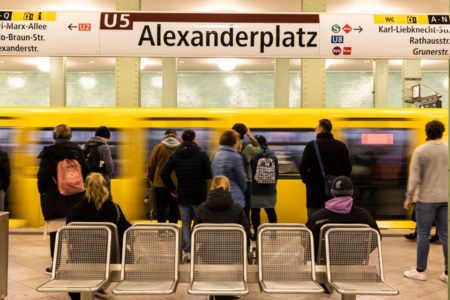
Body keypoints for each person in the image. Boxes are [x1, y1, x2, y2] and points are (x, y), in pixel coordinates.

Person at [66, 172, 131, 300]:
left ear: (86, 187)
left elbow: (70, 236)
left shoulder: (76, 210)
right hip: (110, 258)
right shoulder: (114, 208)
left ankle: (94, 287)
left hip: (82, 258)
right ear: (104, 187)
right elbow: (127, 231)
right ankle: (99, 286)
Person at [37, 124, 89, 274]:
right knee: (75, 230)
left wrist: (43, 193)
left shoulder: (49, 153)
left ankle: (56, 265)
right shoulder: (78, 152)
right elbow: (87, 172)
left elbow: (43, 177)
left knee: (56, 232)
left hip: (55, 198)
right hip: (77, 198)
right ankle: (76, 260)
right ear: (70, 136)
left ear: (54, 136)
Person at [403, 120, 448, 283]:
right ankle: (448, 273)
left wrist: (409, 197)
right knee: (446, 236)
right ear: (442, 132)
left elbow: (414, 177)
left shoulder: (421, 151)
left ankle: (420, 271)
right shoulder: (448, 149)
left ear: (426, 132)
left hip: (426, 199)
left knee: (423, 234)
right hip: (446, 198)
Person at [161, 129, 212, 262]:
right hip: (199, 195)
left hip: (182, 194)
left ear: (182, 139)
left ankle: (187, 251)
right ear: (194, 139)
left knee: (185, 223)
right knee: (200, 223)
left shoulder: (175, 155)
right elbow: (208, 174)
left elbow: (164, 173)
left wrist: (172, 189)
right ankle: (200, 249)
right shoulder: (202, 154)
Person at [306, 176, 379, 257]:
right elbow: (376, 239)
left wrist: (318, 255)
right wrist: (361, 254)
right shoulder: (364, 216)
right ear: (352, 192)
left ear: (332, 192)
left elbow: (305, 241)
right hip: (355, 260)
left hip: (325, 261)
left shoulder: (317, 217)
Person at [299, 119, 352, 219]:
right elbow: (348, 169)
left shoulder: (311, 146)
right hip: (335, 191)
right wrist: (338, 180)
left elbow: (303, 168)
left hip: (315, 191)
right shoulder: (341, 146)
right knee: (333, 217)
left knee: (315, 218)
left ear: (321, 129)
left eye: (317, 128)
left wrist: (309, 182)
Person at [147, 129, 180, 223]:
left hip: (159, 183)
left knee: (161, 208)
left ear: (165, 135)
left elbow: (151, 165)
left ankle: (161, 231)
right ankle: (173, 231)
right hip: (176, 184)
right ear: (176, 136)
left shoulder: (159, 147)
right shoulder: (180, 148)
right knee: (174, 208)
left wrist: (150, 177)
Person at [249, 135, 278, 239]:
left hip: (255, 189)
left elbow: (249, 173)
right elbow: (276, 173)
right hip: (270, 189)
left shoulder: (252, 155)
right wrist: (273, 186)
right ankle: (273, 234)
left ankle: (256, 234)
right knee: (270, 211)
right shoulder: (272, 154)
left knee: (255, 212)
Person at [211, 130, 247, 209]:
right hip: (234, 198)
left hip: (218, 196)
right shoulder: (235, 157)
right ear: (233, 142)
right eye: (237, 140)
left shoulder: (216, 155)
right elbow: (242, 181)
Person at [232, 123, 261, 216]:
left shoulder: (229, 146)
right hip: (246, 181)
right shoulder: (247, 147)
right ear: (244, 133)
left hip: (233, 182)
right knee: (245, 210)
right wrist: (250, 136)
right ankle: (245, 227)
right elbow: (259, 150)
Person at [0, 147, 10, 211]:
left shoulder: (3, 156)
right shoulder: (4, 156)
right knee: (1, 204)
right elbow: (7, 172)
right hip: (2, 186)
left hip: (1, 185)